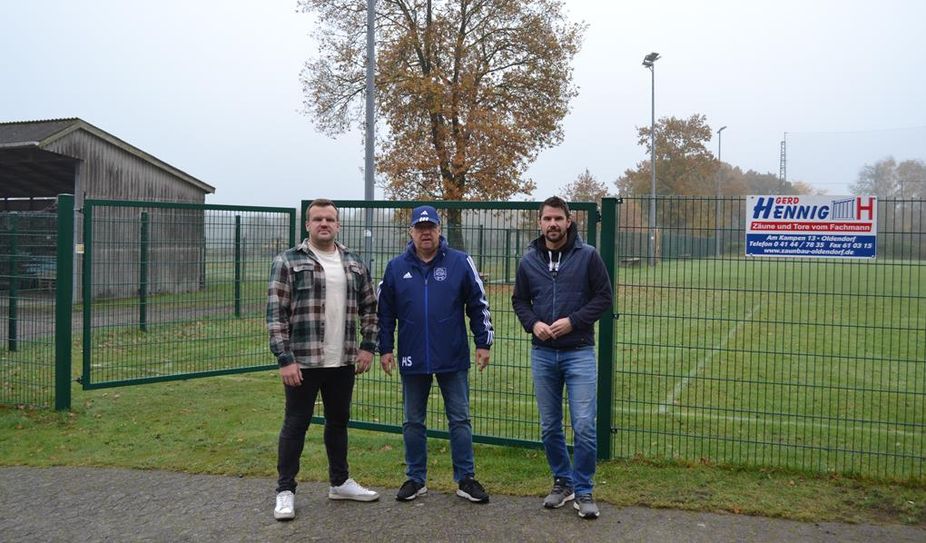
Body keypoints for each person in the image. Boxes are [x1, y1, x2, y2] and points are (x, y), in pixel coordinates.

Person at [267, 198, 380, 521]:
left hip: (342, 360)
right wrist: (284, 358)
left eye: (330, 219)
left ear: (338, 224)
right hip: (303, 362)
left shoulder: (354, 263)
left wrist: (368, 346)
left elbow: (371, 309)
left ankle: (340, 481)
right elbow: (276, 315)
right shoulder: (288, 262)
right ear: (308, 225)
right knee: (295, 425)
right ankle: (285, 491)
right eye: (317, 219)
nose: (324, 224)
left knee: (338, 423)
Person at [377, 205, 494, 504]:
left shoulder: (459, 262)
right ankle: (416, 479)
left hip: (452, 355)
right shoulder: (395, 267)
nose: (425, 232)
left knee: (460, 419)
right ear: (411, 232)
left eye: (431, 227)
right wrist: (385, 348)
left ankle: (465, 479)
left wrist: (483, 342)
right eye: (420, 227)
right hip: (412, 356)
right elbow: (385, 313)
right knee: (413, 421)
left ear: (439, 230)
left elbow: (478, 305)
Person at [511, 196, 613, 519]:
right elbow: (520, 302)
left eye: (558, 218)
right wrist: (533, 324)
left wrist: (574, 321)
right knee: (549, 426)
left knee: (584, 425)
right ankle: (562, 482)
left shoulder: (588, 257)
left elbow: (604, 298)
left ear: (569, 221)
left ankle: (584, 490)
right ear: (539, 223)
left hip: (579, 352)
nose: (553, 224)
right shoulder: (529, 260)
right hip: (543, 355)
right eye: (547, 219)